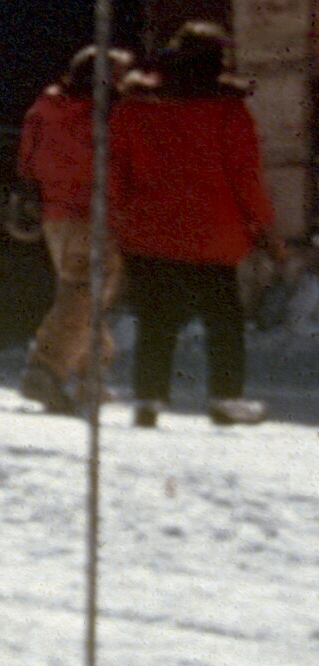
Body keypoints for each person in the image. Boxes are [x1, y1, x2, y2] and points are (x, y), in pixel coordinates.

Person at [108, 23, 286, 431]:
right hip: (213, 235)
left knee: (156, 320)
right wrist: (269, 233)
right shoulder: (229, 112)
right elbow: (246, 178)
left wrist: (116, 221)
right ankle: (225, 397)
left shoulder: (134, 107)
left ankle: (149, 399)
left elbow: (116, 172)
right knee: (224, 320)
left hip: (148, 231)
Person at [14, 43, 123, 418]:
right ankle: (46, 368)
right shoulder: (108, 117)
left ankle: (91, 373)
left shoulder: (45, 109)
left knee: (82, 295)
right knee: (84, 295)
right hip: (96, 217)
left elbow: (26, 162)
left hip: (56, 218)